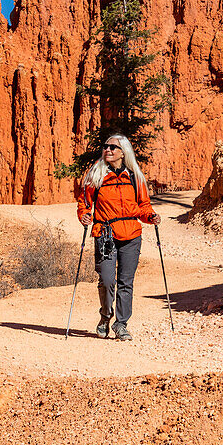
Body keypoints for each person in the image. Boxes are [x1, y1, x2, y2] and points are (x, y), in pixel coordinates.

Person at [76, 133, 160, 341]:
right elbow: (83, 202)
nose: (108, 150)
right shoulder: (95, 175)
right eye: (105, 147)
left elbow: (143, 206)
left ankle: (121, 324)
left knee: (126, 282)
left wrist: (150, 216)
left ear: (123, 152)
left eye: (112, 147)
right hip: (105, 235)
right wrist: (85, 216)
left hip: (131, 234)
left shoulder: (134, 176)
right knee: (106, 280)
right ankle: (105, 316)